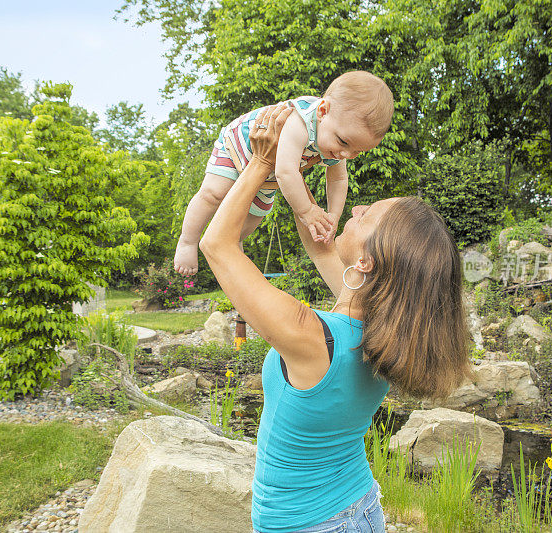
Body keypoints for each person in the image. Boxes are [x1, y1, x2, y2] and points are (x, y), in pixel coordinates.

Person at [199, 105, 473, 533]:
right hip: (355, 507)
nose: (357, 207)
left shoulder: (312, 339)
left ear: (366, 262)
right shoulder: (384, 331)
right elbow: (321, 246)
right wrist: (293, 170)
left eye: (368, 215)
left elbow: (217, 244)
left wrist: (261, 163)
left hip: (316, 524)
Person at [175, 70, 394, 276]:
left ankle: (234, 241)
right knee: (213, 193)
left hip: (268, 174)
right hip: (239, 146)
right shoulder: (299, 122)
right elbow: (287, 173)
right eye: (343, 142)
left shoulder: (337, 142)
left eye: (358, 151)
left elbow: (338, 178)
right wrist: (307, 211)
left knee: (252, 218)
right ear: (323, 111)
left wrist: (333, 215)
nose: (346, 153)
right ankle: (188, 241)